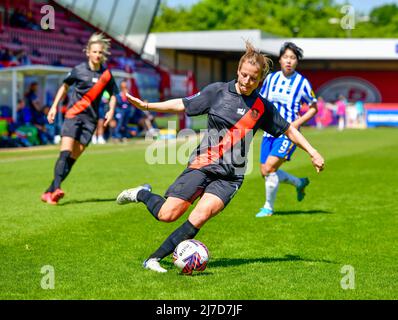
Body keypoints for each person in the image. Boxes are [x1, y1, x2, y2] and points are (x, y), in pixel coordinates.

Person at [115, 41, 325, 273]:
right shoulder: (217, 91)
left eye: (253, 79)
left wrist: (313, 152)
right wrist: (147, 105)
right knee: (168, 214)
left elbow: (288, 129)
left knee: (200, 215)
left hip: (230, 177)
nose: (246, 81)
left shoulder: (262, 107)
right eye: (244, 75)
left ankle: (153, 259)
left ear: (260, 81)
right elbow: (182, 104)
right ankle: (141, 193)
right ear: (238, 71)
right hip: (203, 165)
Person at [41, 33, 119, 205]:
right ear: (88, 53)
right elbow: (64, 86)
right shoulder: (78, 70)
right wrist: (54, 106)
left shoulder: (106, 74)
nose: (97, 55)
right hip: (73, 116)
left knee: (72, 158)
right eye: (95, 51)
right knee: (65, 152)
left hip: (90, 122)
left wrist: (111, 110)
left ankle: (49, 191)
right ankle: (57, 189)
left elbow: (114, 94)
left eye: (100, 52)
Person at [256, 42, 318, 218]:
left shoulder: (302, 83)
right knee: (265, 171)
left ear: (297, 61)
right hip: (269, 132)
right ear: (280, 59)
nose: (289, 61)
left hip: (288, 133)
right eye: (286, 57)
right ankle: (299, 183)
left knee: (269, 168)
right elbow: (262, 101)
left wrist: (297, 123)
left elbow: (314, 107)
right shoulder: (270, 79)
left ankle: (268, 207)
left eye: (293, 58)